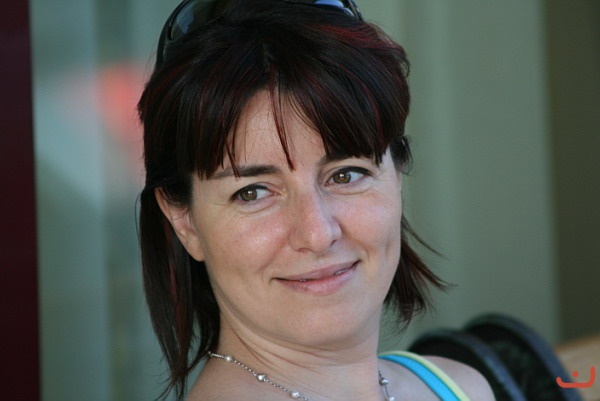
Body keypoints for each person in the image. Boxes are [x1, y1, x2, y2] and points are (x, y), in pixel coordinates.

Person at [137, 0, 495, 400]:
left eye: (346, 175)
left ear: (397, 174)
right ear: (184, 220)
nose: (317, 233)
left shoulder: (460, 387)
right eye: (252, 192)